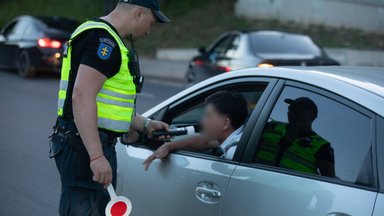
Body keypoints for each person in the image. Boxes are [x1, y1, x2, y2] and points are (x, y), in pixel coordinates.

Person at [49, 1, 171, 215]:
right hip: (84, 147)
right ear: (139, 13)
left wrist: (146, 124)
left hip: (85, 142)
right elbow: (81, 96)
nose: (149, 31)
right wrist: (96, 157)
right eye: (151, 23)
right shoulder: (103, 42)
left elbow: (108, 104)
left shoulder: (102, 36)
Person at [143, 91, 248, 171]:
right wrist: (169, 146)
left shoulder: (233, 152)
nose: (202, 121)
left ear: (225, 123)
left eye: (208, 116)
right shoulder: (237, 138)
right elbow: (206, 142)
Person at [255, 97, 336, 177]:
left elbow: (329, 181)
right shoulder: (271, 127)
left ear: (311, 117)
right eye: (290, 108)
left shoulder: (322, 147)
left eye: (298, 110)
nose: (291, 112)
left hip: (288, 189)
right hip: (256, 180)